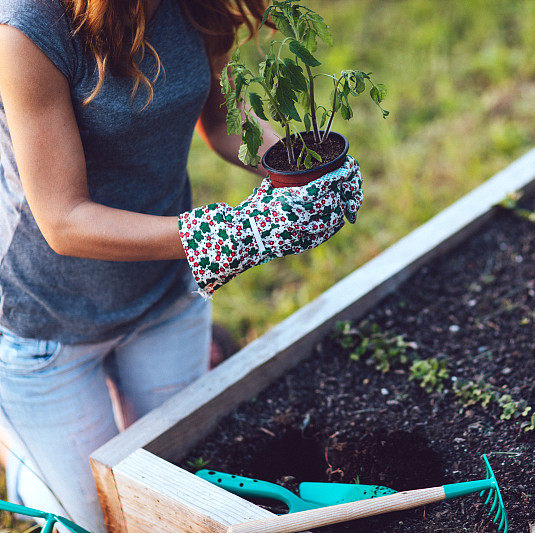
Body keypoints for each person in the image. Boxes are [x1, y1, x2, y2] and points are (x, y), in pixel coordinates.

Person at [0, 0, 362, 530]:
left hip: (164, 292)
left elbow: (222, 120)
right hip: (46, 323)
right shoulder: (28, 30)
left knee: (170, 490)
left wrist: (302, 173)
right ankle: (32, 479)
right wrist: (224, 233)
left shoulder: (198, 4)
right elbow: (64, 220)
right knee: (98, 520)